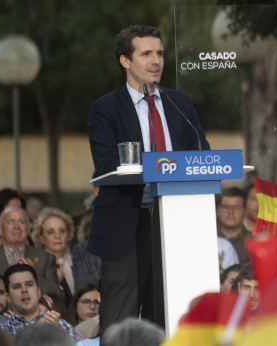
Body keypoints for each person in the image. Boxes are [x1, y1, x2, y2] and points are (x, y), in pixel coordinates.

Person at [87, 24, 209, 332]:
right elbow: (105, 164)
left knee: (170, 310)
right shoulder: (105, 109)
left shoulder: (179, 103)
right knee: (120, 317)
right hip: (128, 219)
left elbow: (203, 152)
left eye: (159, 54)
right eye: (146, 54)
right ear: (125, 61)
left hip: (177, 220)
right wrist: (154, 166)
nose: (156, 61)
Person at [0, 207, 60, 298]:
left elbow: (57, 295)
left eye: (21, 222)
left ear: (29, 228)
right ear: (0, 228)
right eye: (11, 222)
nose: (16, 226)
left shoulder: (46, 258)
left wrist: (33, 275)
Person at [0, 264, 77, 340]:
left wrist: (55, 332)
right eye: (17, 287)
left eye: (29, 284)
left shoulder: (62, 326)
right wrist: (37, 329)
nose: (24, 290)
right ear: (8, 297)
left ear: (39, 292)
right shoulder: (0, 332)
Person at [31, 207, 76, 304]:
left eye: (62, 231)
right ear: (41, 237)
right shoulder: (34, 264)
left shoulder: (77, 262)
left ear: (68, 235)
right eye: (51, 232)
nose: (57, 236)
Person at [217, 188, 251, 264]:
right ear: (218, 209)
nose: (230, 212)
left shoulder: (253, 242)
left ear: (245, 211)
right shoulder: (209, 240)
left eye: (236, 207)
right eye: (225, 207)